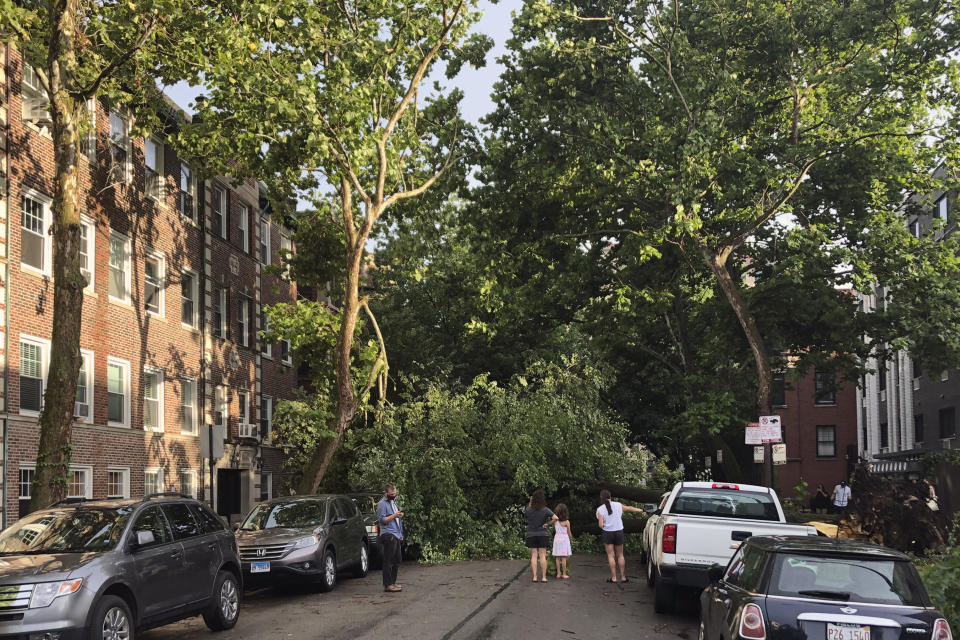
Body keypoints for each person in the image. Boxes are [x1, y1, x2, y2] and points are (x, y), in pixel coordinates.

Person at [596, 489, 644, 584]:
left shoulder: (600, 509)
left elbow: (600, 525)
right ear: (610, 496)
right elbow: (629, 508)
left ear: (601, 498)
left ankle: (614, 578)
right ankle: (623, 577)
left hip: (608, 533)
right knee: (620, 555)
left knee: (611, 555)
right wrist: (641, 510)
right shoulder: (618, 505)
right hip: (619, 532)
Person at [523, 490, 558, 582]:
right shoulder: (545, 509)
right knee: (542, 555)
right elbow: (555, 518)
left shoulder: (528, 509)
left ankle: (534, 577)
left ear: (533, 499)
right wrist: (548, 523)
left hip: (531, 534)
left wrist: (530, 503)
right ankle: (543, 577)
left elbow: (526, 515)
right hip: (543, 534)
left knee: (534, 555)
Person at [376, 483, 404, 593]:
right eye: (391, 494)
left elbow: (397, 520)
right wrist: (394, 516)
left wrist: (400, 533)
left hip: (396, 534)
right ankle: (387, 584)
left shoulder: (394, 502)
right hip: (388, 534)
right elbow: (382, 520)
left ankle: (392, 582)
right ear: (386, 493)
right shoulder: (382, 504)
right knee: (388, 560)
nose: (394, 495)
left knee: (397, 559)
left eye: (395, 493)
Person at [552, 503, 573, 580]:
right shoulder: (567, 522)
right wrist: (571, 540)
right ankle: (564, 574)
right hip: (564, 539)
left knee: (557, 557)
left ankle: (558, 573)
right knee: (563, 558)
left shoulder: (555, 521)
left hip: (557, 539)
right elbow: (569, 532)